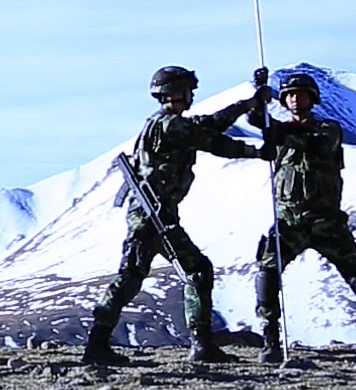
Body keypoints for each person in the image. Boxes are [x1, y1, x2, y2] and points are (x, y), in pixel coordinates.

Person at [83, 65, 272, 366]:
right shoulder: (169, 125)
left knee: (175, 273)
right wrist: (247, 109)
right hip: (151, 215)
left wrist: (255, 146)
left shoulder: (170, 125)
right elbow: (208, 131)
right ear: (177, 92)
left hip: (160, 214)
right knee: (144, 275)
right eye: (188, 90)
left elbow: (210, 136)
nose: (192, 95)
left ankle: (198, 344)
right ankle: (100, 344)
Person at [251, 70, 356, 368]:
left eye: (301, 94)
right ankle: (270, 339)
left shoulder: (329, 129)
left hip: (327, 222)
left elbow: (314, 145)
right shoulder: (280, 132)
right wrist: (259, 95)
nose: (296, 99)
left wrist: (277, 131)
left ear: (313, 98)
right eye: (290, 95)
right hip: (289, 222)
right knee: (267, 275)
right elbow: (258, 123)